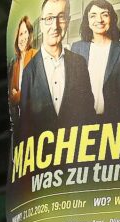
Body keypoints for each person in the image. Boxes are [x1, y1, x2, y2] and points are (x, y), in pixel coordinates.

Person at [19, 0, 96, 132]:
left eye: (61, 17)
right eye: (49, 18)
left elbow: (89, 113)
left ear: (68, 21)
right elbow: (25, 125)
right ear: (41, 24)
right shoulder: (29, 71)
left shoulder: (80, 63)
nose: (55, 26)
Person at [70, 0, 120, 121]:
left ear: (111, 19)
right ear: (87, 21)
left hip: (112, 120)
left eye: (104, 14)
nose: (99, 20)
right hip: (82, 119)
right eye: (93, 15)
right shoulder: (77, 48)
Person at [8, 15, 37, 126]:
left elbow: (34, 89)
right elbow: (11, 99)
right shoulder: (15, 64)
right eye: (21, 34)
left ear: (30, 36)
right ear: (17, 38)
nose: (23, 37)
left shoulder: (35, 55)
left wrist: (18, 95)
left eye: (26, 33)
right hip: (20, 121)